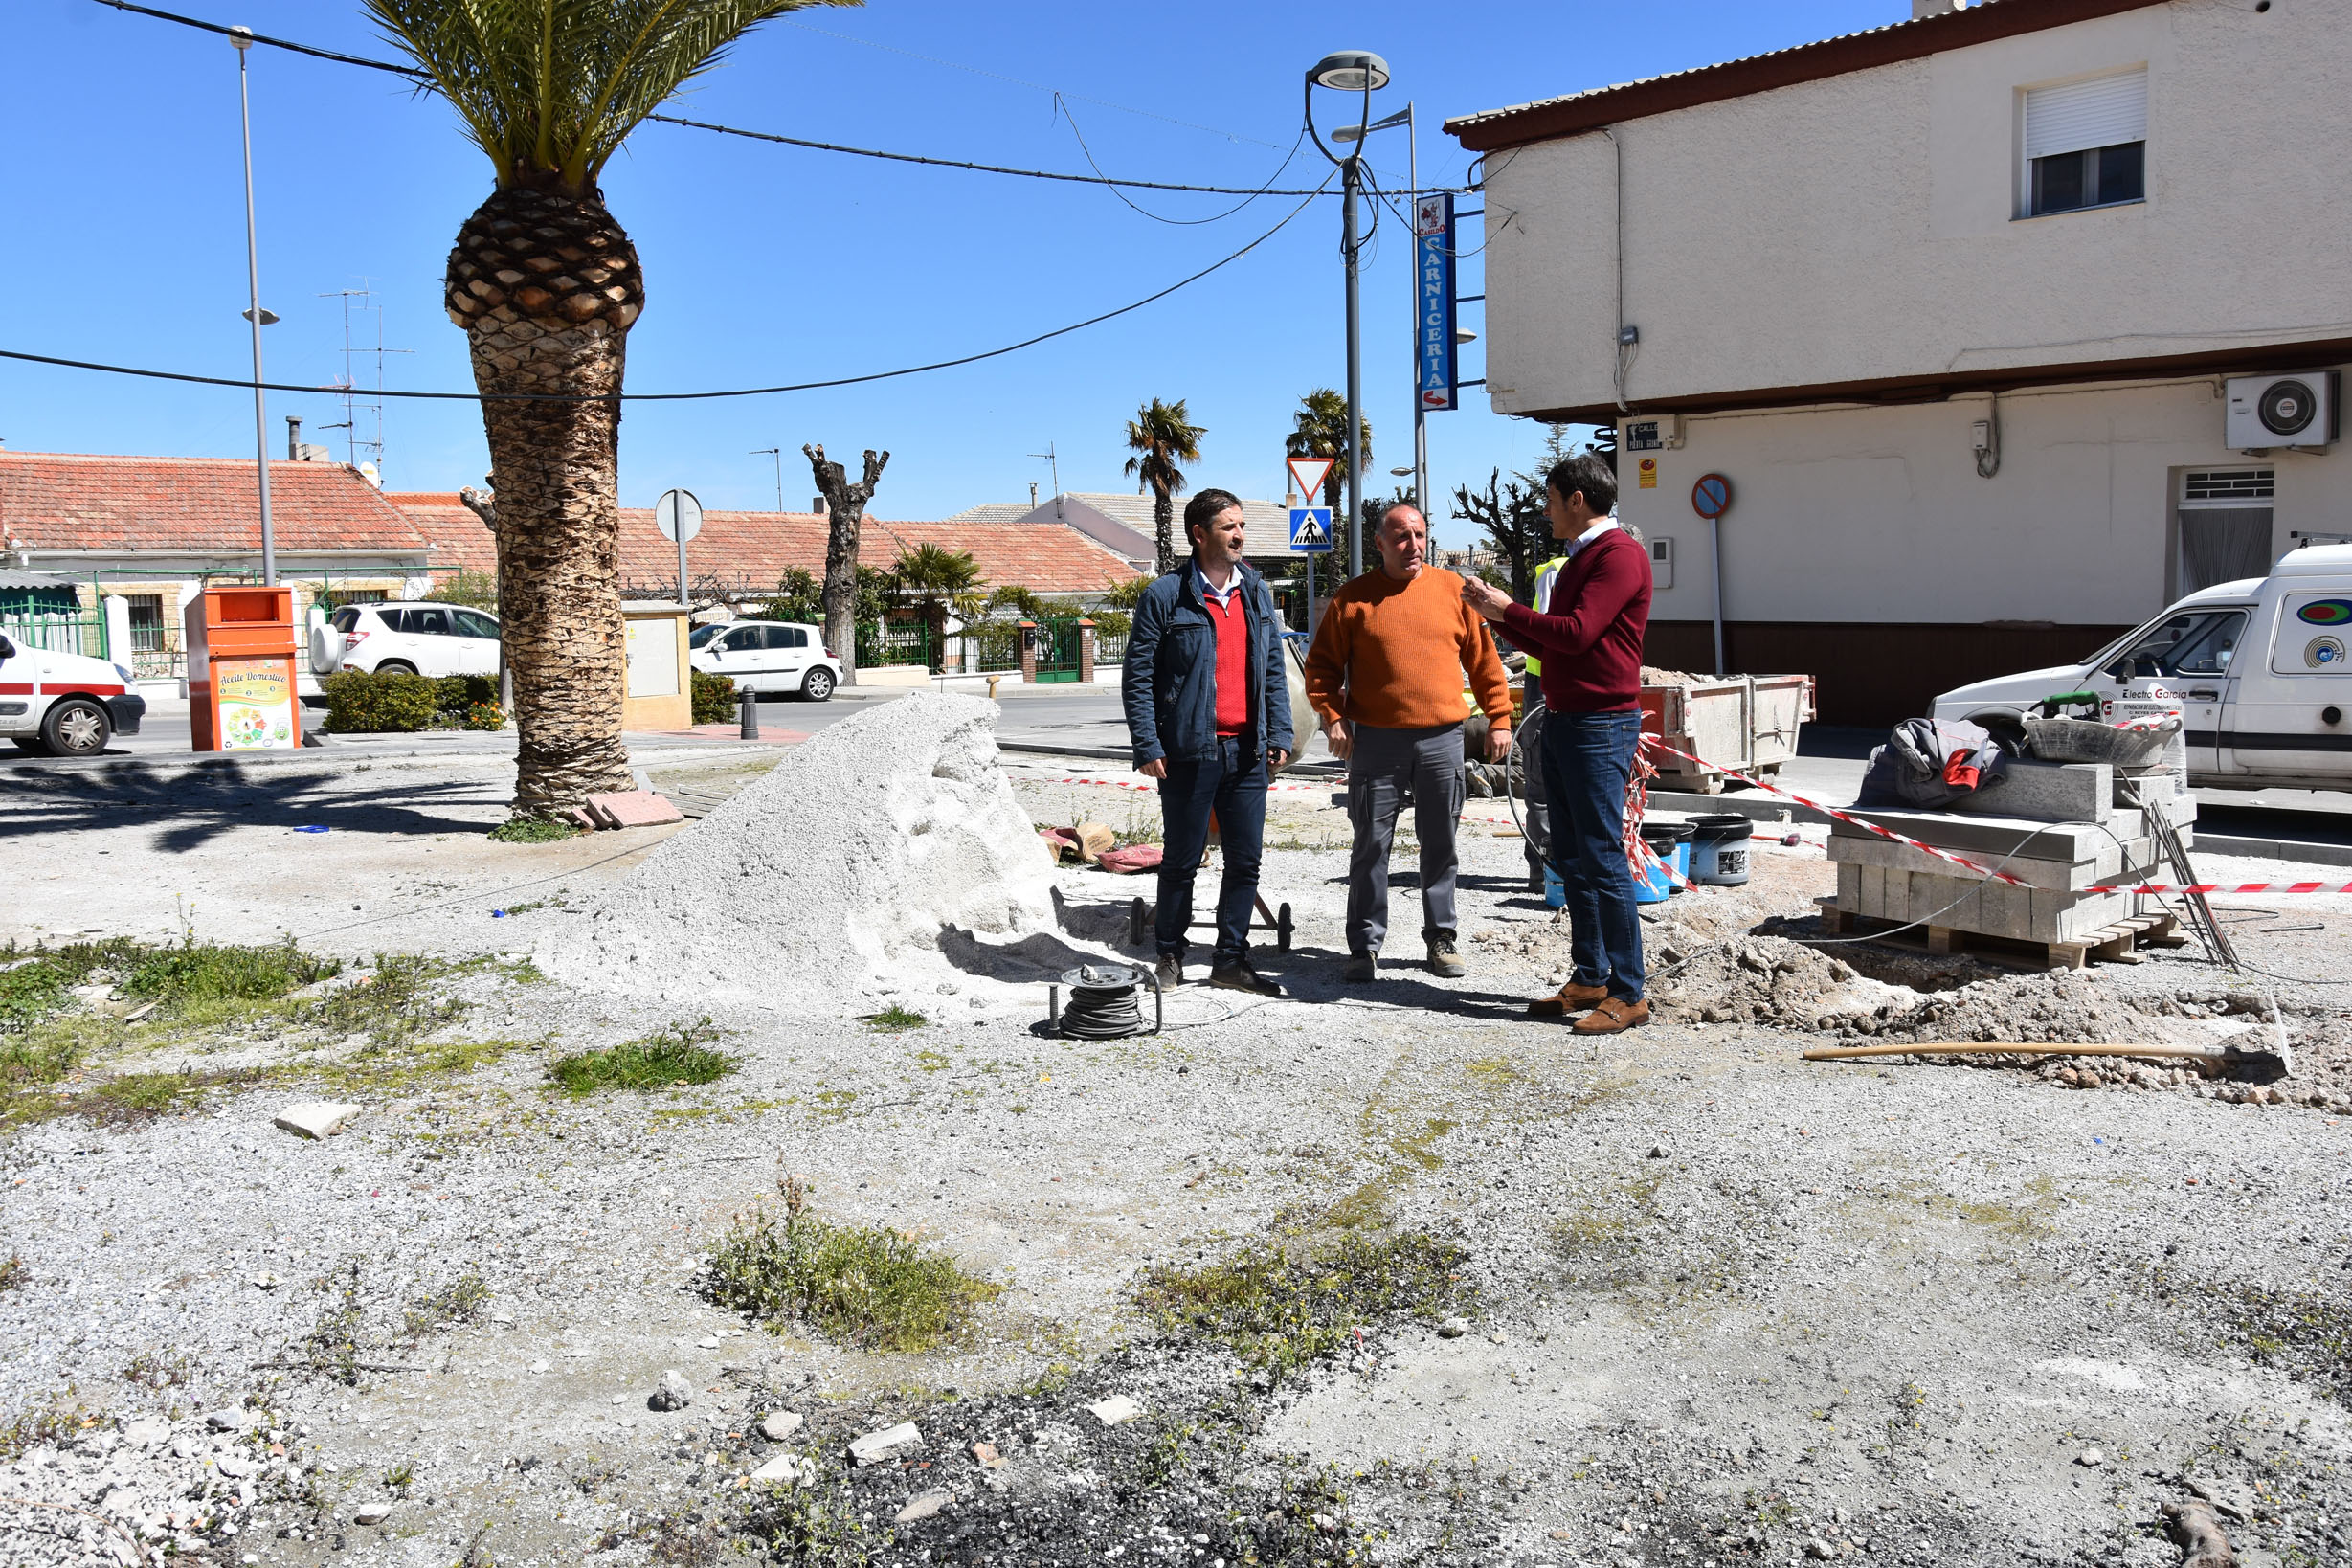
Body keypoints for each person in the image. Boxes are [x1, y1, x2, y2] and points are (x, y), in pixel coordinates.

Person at [1461, 454, 1653, 1033]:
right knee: (1572, 856)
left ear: (1576, 499)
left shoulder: (1618, 555)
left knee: (1601, 856)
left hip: (1600, 724)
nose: (1544, 512)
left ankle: (1629, 992)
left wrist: (1507, 609)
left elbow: (1577, 634)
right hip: (1570, 720)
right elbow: (1555, 642)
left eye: (1549, 500)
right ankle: (1590, 976)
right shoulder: (1581, 559)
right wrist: (1498, 616)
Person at [1304, 502, 1513, 982]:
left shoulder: (1453, 591)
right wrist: (1333, 717)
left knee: (1440, 844)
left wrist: (1500, 718)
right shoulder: (1353, 599)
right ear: (1379, 543)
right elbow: (1321, 668)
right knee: (1370, 846)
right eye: (1401, 537)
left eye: (1419, 535)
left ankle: (1441, 938)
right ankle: (1364, 946)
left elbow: (1485, 662)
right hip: (1376, 743)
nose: (1413, 545)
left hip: (1443, 739)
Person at [1121, 488, 1294, 995]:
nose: (1239, 535)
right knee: (1181, 860)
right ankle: (1170, 956)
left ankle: (1230, 961)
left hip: (1248, 752)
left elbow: (1272, 668)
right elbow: (1138, 676)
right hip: (1187, 753)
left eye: (1242, 526)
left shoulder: (1256, 591)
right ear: (1199, 535)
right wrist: (1148, 743)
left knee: (1245, 861)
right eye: (1228, 527)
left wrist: (1280, 732)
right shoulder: (1165, 595)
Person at [1512, 548, 1572, 892]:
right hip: (1545, 682)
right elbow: (1547, 634)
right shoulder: (1558, 571)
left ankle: (1556, 869)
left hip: (1568, 683)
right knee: (1541, 784)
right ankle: (1545, 869)